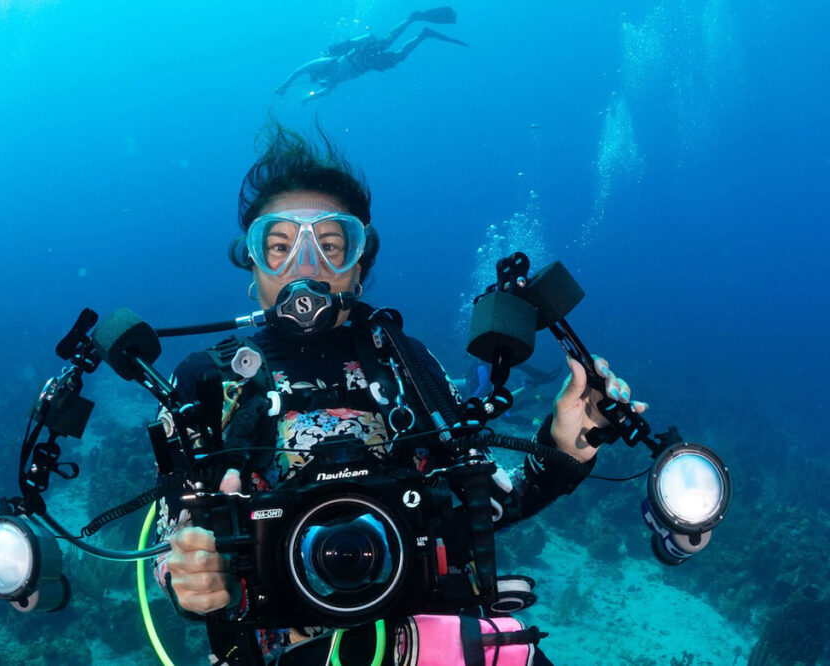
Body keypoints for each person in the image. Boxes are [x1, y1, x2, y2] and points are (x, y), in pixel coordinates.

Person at [152, 123, 647, 665]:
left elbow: (481, 509)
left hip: (432, 642)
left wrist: (564, 449)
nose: (307, 264)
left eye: (332, 244)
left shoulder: (404, 360)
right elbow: (173, 538)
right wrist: (191, 578)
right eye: (278, 246)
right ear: (252, 264)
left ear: (359, 263)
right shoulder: (206, 378)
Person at [275, 7, 469, 103]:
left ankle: (411, 19)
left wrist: (284, 86)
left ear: (317, 75)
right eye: (319, 80)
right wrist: (308, 99)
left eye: (318, 78)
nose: (320, 80)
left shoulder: (322, 64)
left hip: (359, 56)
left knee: (387, 41)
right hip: (366, 66)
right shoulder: (330, 81)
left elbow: (299, 71)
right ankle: (423, 34)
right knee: (398, 57)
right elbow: (324, 92)